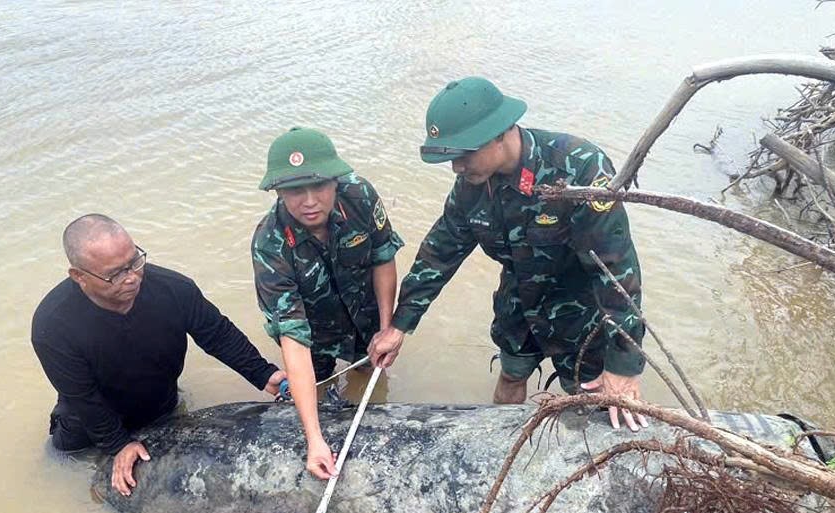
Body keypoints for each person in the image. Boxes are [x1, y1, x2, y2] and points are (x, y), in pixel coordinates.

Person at [368, 77, 648, 430]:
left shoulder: (580, 167)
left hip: (583, 314)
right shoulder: (472, 186)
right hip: (519, 303)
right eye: (450, 158)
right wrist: (399, 325)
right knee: (511, 377)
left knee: (589, 401)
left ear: (500, 133)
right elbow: (440, 253)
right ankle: (505, 442)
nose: (456, 168)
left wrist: (623, 362)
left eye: (463, 155)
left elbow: (616, 271)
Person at [32, 214, 284, 496]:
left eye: (134, 262)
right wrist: (118, 445)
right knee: (78, 487)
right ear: (79, 276)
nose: (131, 278)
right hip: (87, 430)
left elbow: (217, 334)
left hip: (160, 407)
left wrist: (264, 374)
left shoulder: (173, 289)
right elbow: (82, 397)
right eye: (115, 274)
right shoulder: (52, 326)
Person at [252, 127, 404, 478]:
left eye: (319, 186)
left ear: (336, 181)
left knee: (370, 370)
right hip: (313, 331)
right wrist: (314, 440)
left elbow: (383, 257)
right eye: (294, 190)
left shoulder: (360, 195)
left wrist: (386, 328)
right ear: (277, 191)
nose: (309, 201)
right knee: (316, 386)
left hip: (364, 315)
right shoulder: (269, 243)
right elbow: (293, 337)